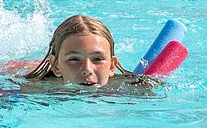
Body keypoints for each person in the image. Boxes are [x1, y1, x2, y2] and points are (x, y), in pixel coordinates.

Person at [15, 15, 150, 93]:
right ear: (56, 66)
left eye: (97, 59)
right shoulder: (36, 90)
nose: (87, 69)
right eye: (74, 59)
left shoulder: (133, 88)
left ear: (111, 66)